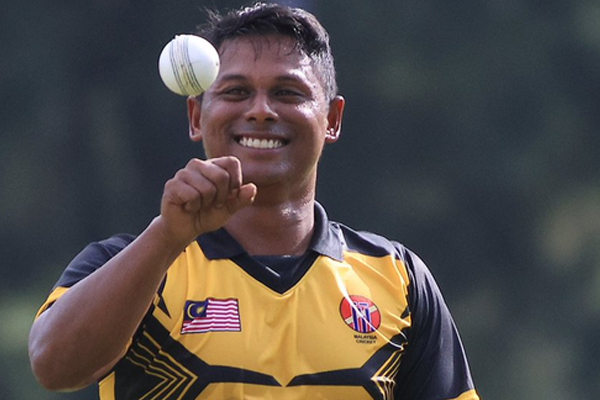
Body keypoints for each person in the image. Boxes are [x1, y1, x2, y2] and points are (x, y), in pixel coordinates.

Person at [29, 2, 480, 399]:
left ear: (332, 119)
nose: (261, 110)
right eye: (236, 92)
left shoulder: (398, 278)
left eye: (287, 92)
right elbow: (54, 367)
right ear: (196, 116)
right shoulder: (131, 264)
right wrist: (166, 237)